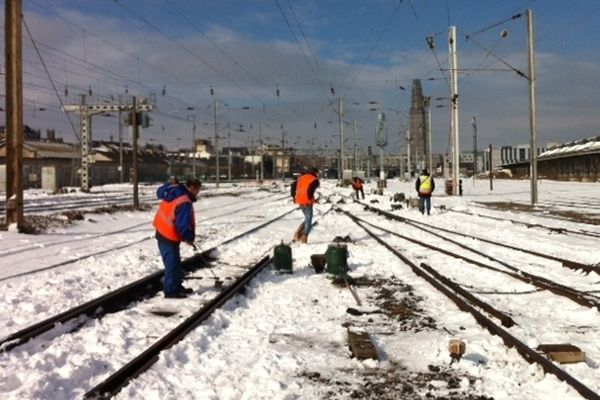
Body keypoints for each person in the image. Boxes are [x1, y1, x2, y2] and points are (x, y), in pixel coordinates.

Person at [153, 177, 201, 298]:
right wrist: (189, 238)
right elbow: (183, 225)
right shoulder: (184, 201)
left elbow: (160, 193)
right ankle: (171, 291)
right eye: (198, 190)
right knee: (172, 265)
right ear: (193, 188)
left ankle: (177, 286)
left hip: (162, 231)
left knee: (175, 263)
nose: (198, 193)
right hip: (169, 234)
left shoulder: (175, 192)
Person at [290, 167, 320, 243]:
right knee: (309, 219)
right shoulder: (315, 180)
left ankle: (298, 233)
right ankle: (304, 236)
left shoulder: (301, 178)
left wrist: (293, 196)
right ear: (316, 173)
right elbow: (310, 190)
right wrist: (311, 199)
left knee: (307, 218)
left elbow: (293, 185)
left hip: (300, 200)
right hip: (307, 202)